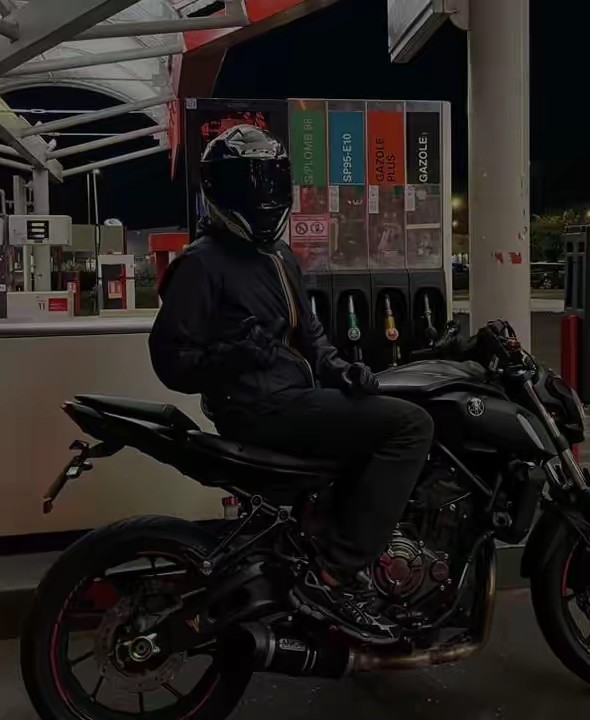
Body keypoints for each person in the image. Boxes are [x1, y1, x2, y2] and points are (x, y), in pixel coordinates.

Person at [148, 124, 434, 642]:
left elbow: (311, 334)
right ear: (218, 190)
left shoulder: (279, 256)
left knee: (389, 412)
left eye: (270, 179)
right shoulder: (200, 264)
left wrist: (341, 369)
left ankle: (335, 549)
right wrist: (236, 356)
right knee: (411, 427)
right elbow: (172, 363)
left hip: (295, 397)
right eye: (248, 181)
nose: (262, 194)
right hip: (261, 409)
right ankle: (337, 572)